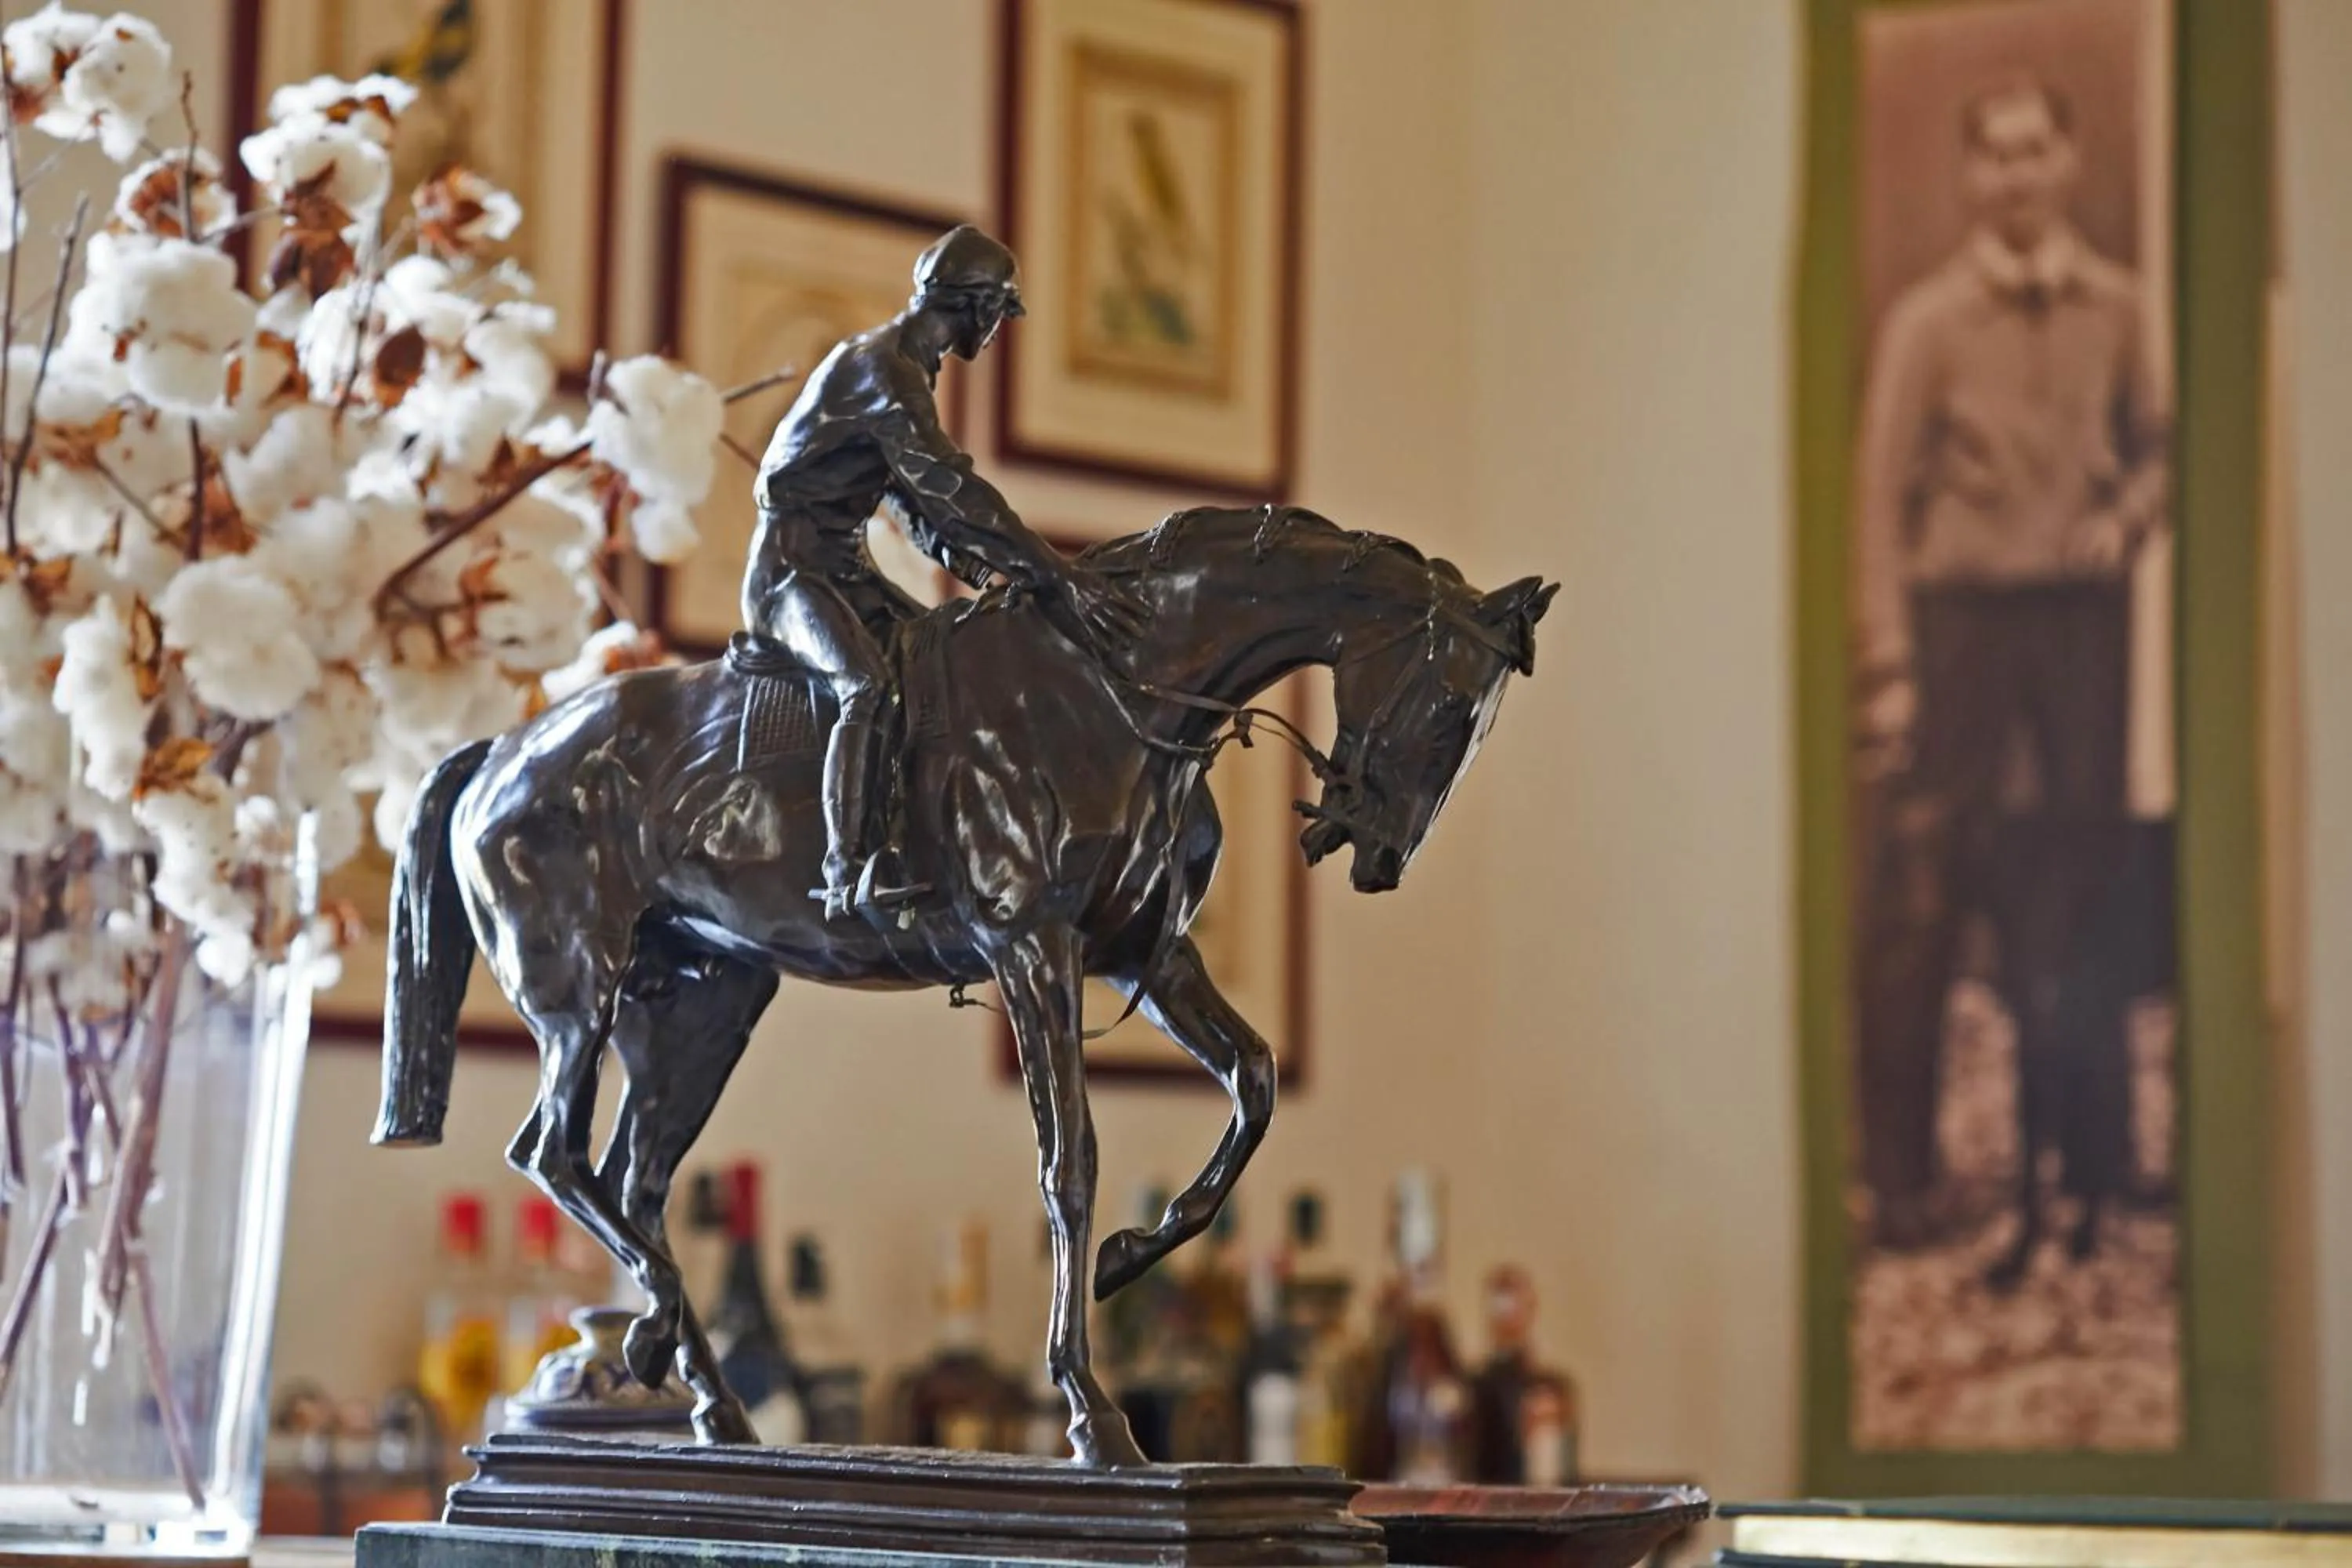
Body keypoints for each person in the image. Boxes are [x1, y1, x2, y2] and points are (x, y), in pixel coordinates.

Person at [1850, 76, 2169, 1276]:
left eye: (2039, 152)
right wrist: (1888, 665)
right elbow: (1879, 503)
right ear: (1971, 176)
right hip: (1958, 623)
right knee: (1923, 885)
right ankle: (1904, 1176)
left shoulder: (2123, 309)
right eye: (1997, 157)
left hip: (2080, 620)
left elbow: (2161, 450)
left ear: (2067, 163)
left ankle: (2098, 1158)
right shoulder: (1930, 324)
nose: (2019, 176)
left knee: (2086, 874)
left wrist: (2127, 515)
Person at [745, 226, 1147, 919]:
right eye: (995, 314)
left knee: (940, 659)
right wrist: (1053, 571)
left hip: (843, 569)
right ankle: (846, 873)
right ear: (974, 305)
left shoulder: (906, 367)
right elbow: (950, 488)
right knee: (866, 685)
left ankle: (918, 840)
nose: (995, 332)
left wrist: (998, 577)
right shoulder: (881, 369)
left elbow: (918, 509)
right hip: (792, 576)